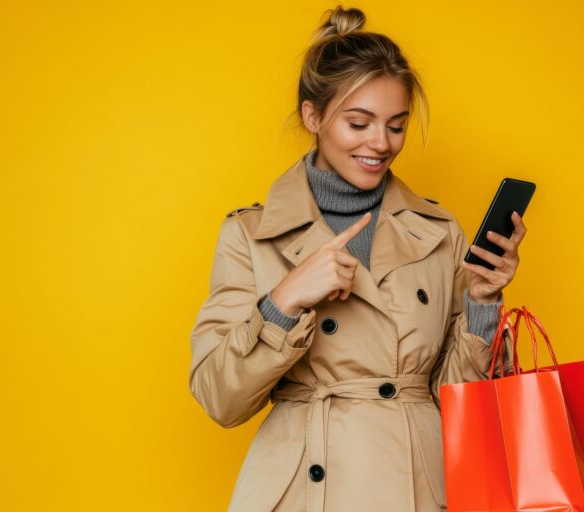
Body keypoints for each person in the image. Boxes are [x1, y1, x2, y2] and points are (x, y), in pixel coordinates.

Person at [188, 6, 526, 511]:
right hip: (305, 488)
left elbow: (465, 409)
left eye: (396, 126)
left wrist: (482, 301)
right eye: (359, 122)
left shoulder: (438, 232)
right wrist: (284, 301)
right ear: (313, 116)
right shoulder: (251, 235)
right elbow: (219, 399)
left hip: (415, 485)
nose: (380, 144)